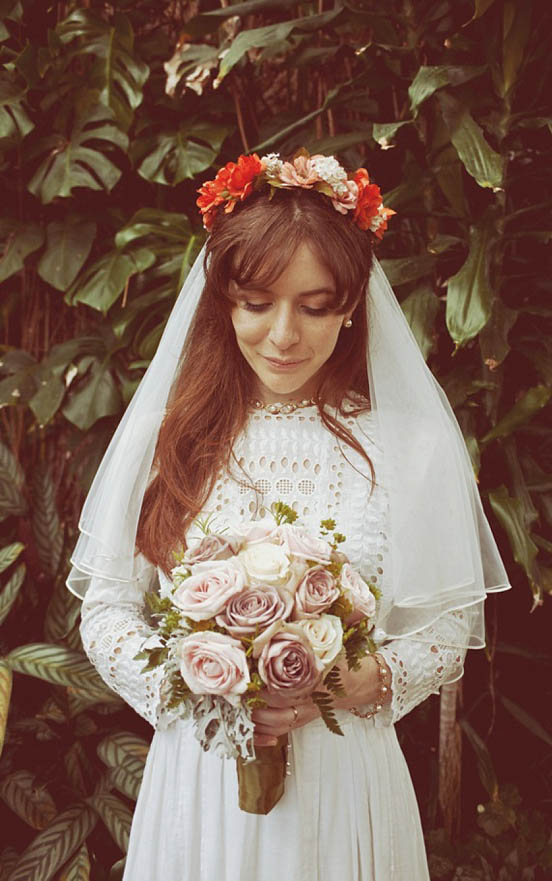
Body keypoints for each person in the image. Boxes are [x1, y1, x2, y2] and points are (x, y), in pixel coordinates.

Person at [67, 151, 511, 881]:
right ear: (223, 301)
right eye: (256, 302)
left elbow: (446, 629)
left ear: (350, 306)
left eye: (313, 306)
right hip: (201, 775)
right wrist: (201, 686)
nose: (283, 335)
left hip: (346, 776)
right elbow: (109, 606)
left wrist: (355, 682)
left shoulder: (409, 445)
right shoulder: (167, 437)